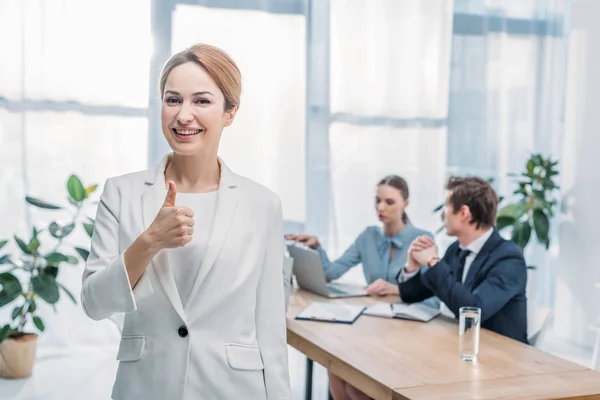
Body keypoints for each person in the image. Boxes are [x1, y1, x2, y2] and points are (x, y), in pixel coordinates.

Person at [81, 44, 292, 400]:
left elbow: (270, 327)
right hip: (145, 387)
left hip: (233, 389)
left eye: (202, 101)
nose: (183, 115)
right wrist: (148, 242)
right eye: (173, 99)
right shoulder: (122, 193)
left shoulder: (263, 205)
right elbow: (93, 303)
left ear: (230, 112)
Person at [285, 175, 432, 400]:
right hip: (369, 326)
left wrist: (396, 289)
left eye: (389, 202)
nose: (381, 207)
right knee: (335, 369)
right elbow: (332, 272)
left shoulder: (422, 239)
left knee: (357, 389)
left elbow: (432, 294)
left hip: (405, 333)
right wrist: (317, 247)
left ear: (406, 204)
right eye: (377, 200)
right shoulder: (368, 236)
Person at [399, 176, 528, 343]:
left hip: (501, 355)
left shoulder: (508, 258)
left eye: (446, 207)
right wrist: (412, 266)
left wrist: (433, 262)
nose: (442, 214)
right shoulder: (457, 250)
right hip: (464, 346)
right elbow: (411, 295)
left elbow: (473, 311)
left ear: (463, 213)